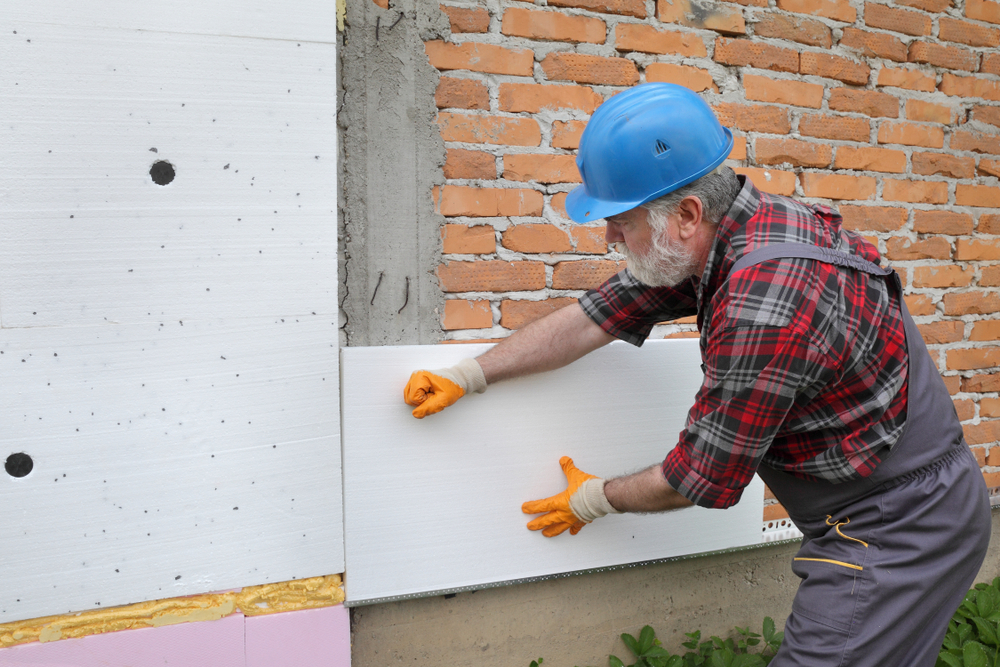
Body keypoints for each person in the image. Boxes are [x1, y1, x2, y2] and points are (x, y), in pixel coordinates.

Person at [403, 83, 991, 666]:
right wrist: (469, 374)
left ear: (685, 214)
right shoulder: (730, 229)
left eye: (620, 220)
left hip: (898, 527)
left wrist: (592, 500)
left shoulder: (764, 302)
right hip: (907, 502)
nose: (609, 236)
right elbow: (593, 320)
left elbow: (700, 476)